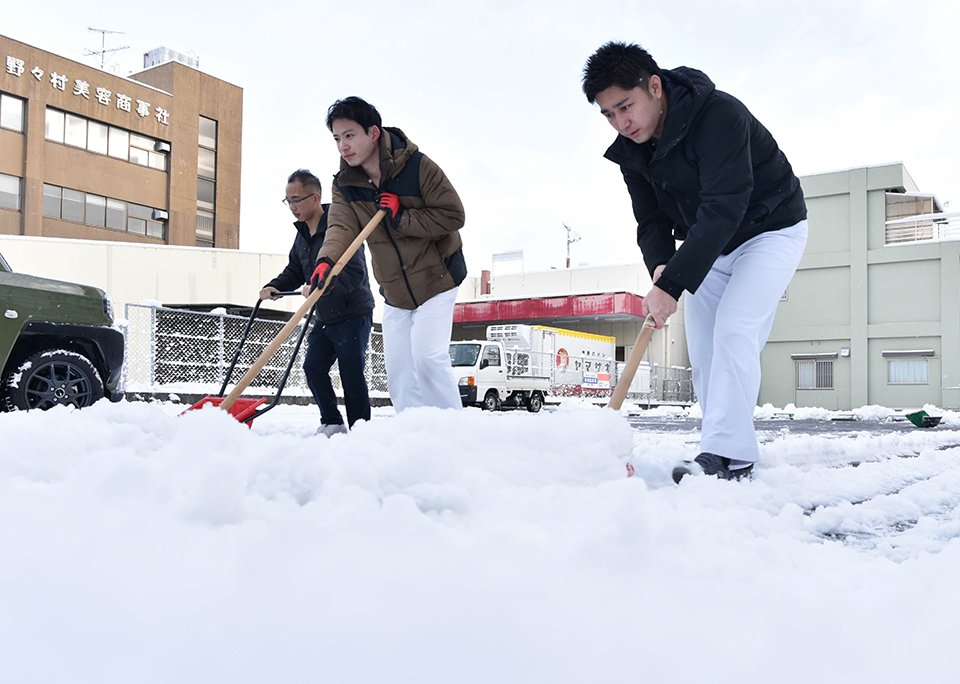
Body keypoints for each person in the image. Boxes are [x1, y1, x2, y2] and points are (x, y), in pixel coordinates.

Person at [581, 41, 808, 482]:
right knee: (703, 346)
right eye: (608, 113)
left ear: (655, 86)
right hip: (713, 244)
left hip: (770, 230)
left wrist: (673, 285)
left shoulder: (719, 115)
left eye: (625, 106)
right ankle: (717, 446)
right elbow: (649, 220)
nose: (620, 122)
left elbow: (725, 205)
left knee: (735, 330)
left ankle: (730, 455)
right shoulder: (633, 149)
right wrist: (663, 266)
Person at [310, 96, 467, 413]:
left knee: (428, 359)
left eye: (350, 135)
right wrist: (326, 261)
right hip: (394, 290)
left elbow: (453, 215)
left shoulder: (417, 167)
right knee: (399, 375)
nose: (343, 146)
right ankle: (413, 439)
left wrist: (401, 218)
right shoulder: (345, 185)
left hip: (437, 278)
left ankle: (455, 434)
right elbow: (340, 227)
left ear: (374, 133)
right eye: (337, 138)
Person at [260, 169, 374, 436]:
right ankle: (332, 422)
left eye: (297, 199)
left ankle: (361, 431)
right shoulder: (302, 234)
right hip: (325, 316)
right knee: (313, 368)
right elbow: (295, 270)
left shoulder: (340, 227)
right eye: (288, 200)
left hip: (353, 312)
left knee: (351, 373)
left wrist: (324, 286)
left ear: (316, 197)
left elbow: (355, 274)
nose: (292, 207)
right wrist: (274, 286)